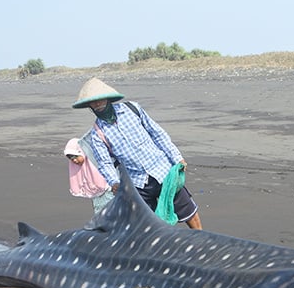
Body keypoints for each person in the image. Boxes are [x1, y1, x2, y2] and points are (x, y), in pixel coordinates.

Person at [72, 78, 203, 230]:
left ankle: (202, 238)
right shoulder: (97, 133)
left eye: (100, 100)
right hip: (137, 182)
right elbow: (105, 163)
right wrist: (115, 183)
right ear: (89, 106)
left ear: (107, 98)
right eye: (93, 102)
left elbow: (157, 134)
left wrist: (176, 157)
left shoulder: (132, 109)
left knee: (187, 210)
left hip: (162, 170)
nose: (97, 104)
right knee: (147, 223)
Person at [64, 135, 114, 215]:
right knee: (100, 214)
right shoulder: (81, 168)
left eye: (75, 156)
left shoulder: (95, 161)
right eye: (70, 159)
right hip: (96, 196)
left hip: (108, 191)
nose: (74, 160)